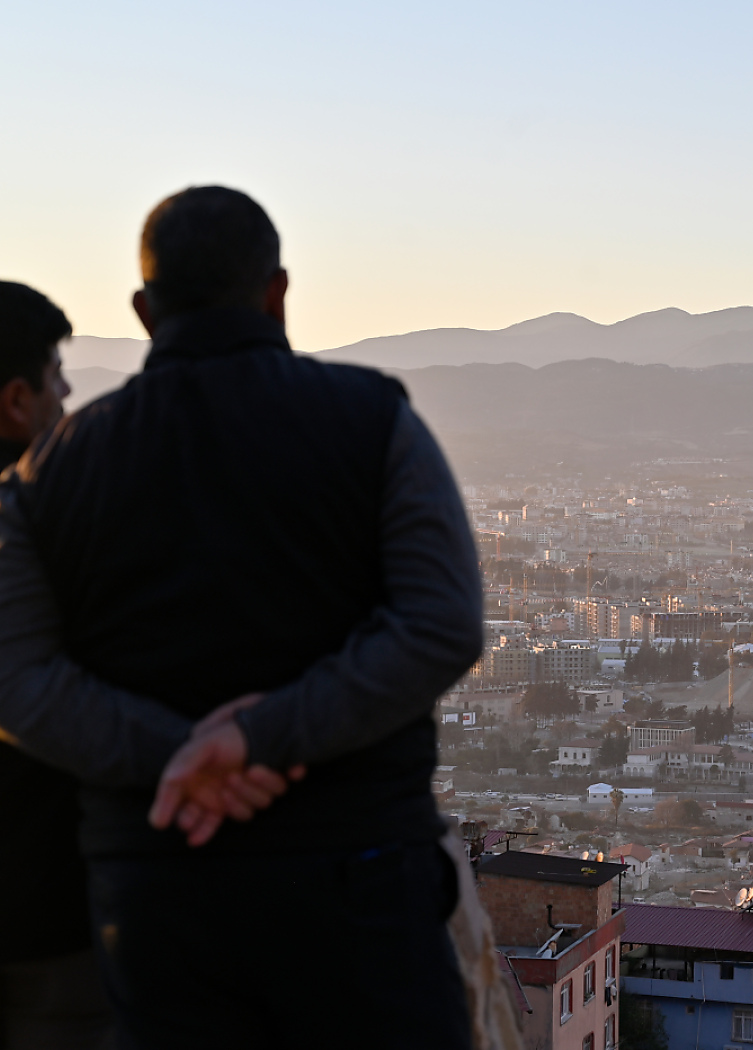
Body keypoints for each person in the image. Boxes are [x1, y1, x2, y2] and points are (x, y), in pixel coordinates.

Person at [0, 187, 483, 1048]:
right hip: (361, 870)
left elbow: (19, 682)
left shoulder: (50, 473)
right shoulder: (375, 422)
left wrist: (183, 759)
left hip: (156, 885)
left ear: (145, 312)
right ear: (278, 293)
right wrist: (261, 737)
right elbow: (439, 625)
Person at [0, 283, 111, 1049]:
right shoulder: (57, 526)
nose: (67, 394)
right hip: (44, 909)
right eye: (57, 374)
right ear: (16, 400)